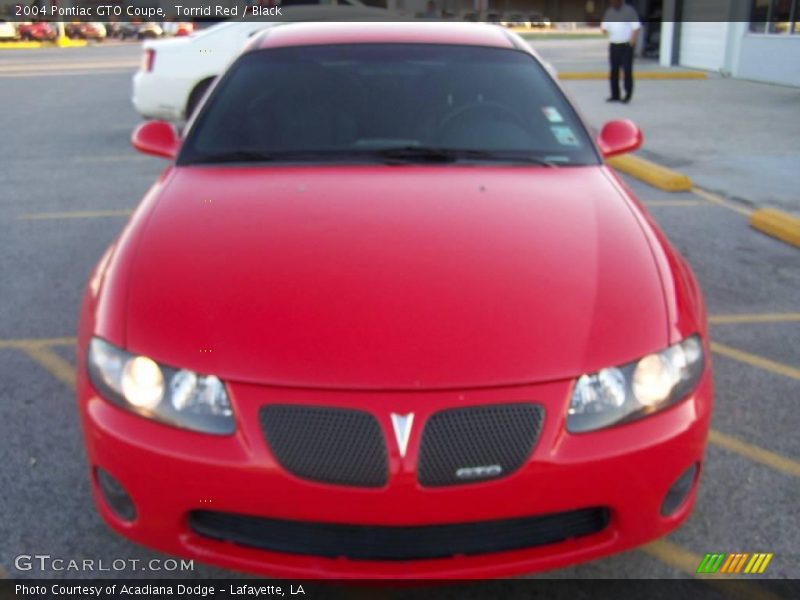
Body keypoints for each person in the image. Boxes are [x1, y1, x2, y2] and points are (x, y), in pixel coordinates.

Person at [601, 0, 641, 103]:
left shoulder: (629, 11)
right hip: (614, 45)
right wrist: (604, 29)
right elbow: (604, 28)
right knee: (614, 71)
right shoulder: (609, 12)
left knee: (627, 71)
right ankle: (615, 95)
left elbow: (636, 28)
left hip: (626, 46)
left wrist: (631, 43)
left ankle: (627, 95)